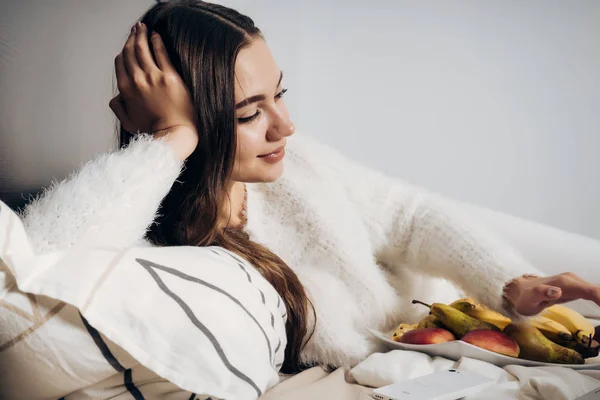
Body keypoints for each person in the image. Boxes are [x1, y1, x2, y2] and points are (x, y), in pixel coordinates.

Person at [21, 0, 600, 374]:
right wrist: (168, 140)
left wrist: (512, 281)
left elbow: (406, 215)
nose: (285, 125)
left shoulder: (296, 164)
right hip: (403, 362)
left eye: (280, 92)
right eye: (250, 112)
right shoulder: (158, 232)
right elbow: (34, 266)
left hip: (434, 323)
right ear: (190, 121)